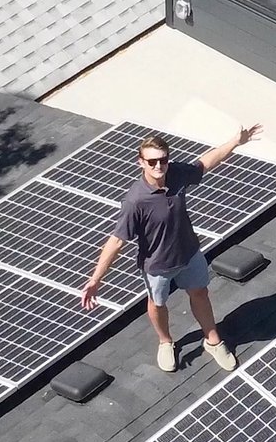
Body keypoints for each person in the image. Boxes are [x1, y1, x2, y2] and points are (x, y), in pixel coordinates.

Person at [80, 126, 262, 373]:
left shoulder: (175, 174)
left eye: (162, 160)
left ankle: (213, 340)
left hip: (189, 254)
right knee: (157, 303)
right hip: (157, 266)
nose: (158, 166)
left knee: (200, 294)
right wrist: (95, 280)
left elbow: (205, 163)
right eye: (152, 161)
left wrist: (236, 142)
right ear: (141, 162)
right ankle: (166, 342)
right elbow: (116, 241)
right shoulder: (136, 201)